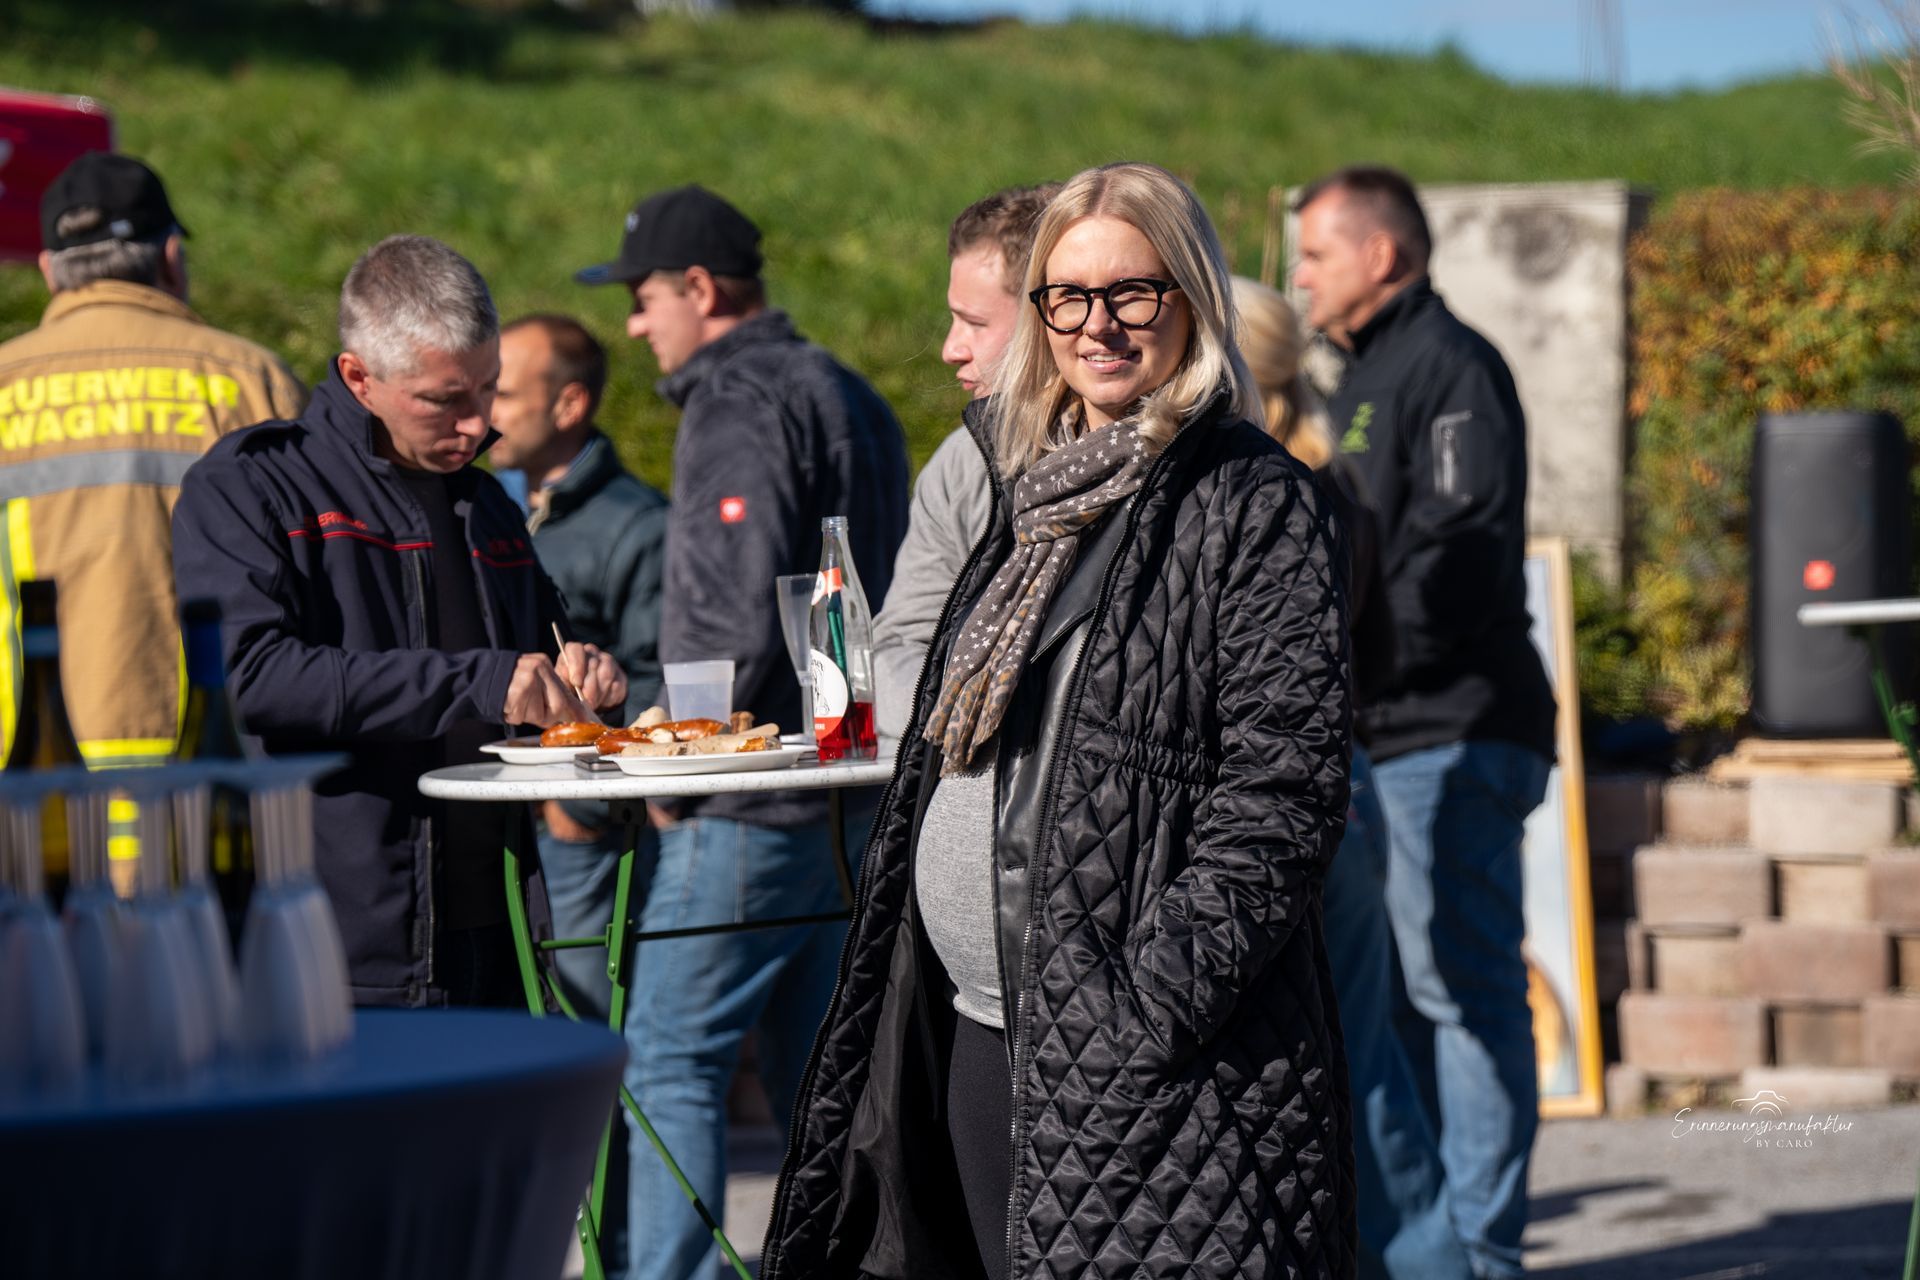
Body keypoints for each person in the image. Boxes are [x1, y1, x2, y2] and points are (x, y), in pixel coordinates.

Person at [763, 161, 1356, 1280]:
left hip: (1147, 1054)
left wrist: (1140, 1013)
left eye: (1134, 292)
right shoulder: (1033, 497)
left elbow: (1283, 798)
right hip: (980, 1023)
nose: (1100, 324)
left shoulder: (1254, 501)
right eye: (1068, 297)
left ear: (1192, 294)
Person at [575, 183, 909, 1280]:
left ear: (699, 290)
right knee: (827, 1075)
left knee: (667, 1059)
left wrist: (683, 755)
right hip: (846, 788)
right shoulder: (848, 390)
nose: (634, 322)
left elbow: (725, 612)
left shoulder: (738, 398)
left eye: (641, 297)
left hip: (751, 801)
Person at [173, 235, 624, 1008]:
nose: (477, 422)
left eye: (489, 390)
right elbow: (250, 676)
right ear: (359, 377)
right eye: (444, 399)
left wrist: (584, 673)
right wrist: (483, 681)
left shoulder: (483, 501)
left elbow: (538, 661)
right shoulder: (253, 485)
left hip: (502, 921)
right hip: (335, 943)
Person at [1292, 166, 1556, 1280]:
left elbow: (1456, 552)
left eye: (1314, 253)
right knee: (1397, 992)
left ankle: (1484, 1249)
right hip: (1382, 728)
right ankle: (1431, 1242)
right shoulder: (1360, 375)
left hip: (1454, 729)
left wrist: (1344, 664)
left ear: (1382, 255)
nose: (1298, 274)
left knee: (1462, 986)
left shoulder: (1452, 366)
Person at [1236, 276, 1471, 1280]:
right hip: (1348, 782)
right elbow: (1367, 659)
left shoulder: (1259, 496)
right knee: (1366, 1071)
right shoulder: (1339, 489)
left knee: (1345, 1078)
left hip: (1284, 804)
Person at [0, 151, 305, 769]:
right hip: (211, 755)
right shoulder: (250, 379)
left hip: (28, 765)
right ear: (170, 257)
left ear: (49, 272)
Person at [491, 312, 668, 1018]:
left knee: (588, 1033)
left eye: (502, 394)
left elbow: (660, 679)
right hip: (503, 827)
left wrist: (581, 807)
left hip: (579, 841)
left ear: (569, 404)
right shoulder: (496, 509)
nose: (484, 410)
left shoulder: (638, 526)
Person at [873, 182, 1059, 743]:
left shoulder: (1174, 457)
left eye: (975, 323)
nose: (951, 348)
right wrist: (976, 714)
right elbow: (898, 646)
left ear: (1052, 315)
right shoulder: (963, 462)